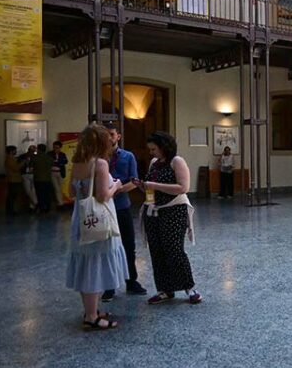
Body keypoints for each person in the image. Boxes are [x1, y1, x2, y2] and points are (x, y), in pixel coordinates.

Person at [66, 124, 128, 331]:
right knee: (96, 265)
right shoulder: (100, 164)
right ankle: (92, 316)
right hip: (99, 222)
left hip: (81, 220)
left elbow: (72, 193)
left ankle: (90, 310)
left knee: (86, 265)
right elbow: (102, 196)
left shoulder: (78, 163)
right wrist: (116, 186)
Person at [135, 131, 202, 305]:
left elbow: (183, 187)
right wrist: (143, 188)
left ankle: (189, 287)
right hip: (154, 212)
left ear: (164, 147)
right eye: (150, 150)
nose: (151, 153)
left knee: (174, 250)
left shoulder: (176, 161)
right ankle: (165, 289)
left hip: (174, 211)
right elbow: (151, 190)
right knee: (156, 251)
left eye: (154, 149)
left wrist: (154, 185)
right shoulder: (154, 163)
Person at [101, 123, 147, 302]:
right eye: (106, 135)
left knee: (128, 245)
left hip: (121, 206)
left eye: (112, 134)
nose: (109, 138)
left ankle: (131, 281)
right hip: (104, 209)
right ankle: (109, 286)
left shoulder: (128, 156)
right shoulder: (99, 158)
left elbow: (134, 181)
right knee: (106, 247)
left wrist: (117, 189)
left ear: (118, 136)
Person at [32, 144, 54, 213]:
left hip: (38, 179)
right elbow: (52, 165)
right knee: (47, 194)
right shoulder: (49, 158)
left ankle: (42, 208)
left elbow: (31, 165)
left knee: (40, 194)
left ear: (38, 149)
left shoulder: (35, 158)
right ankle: (48, 208)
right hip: (48, 178)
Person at [18, 145, 38, 211]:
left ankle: (32, 207)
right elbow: (18, 166)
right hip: (25, 174)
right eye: (31, 150)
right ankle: (36, 203)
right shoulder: (22, 156)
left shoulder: (36, 157)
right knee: (28, 190)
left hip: (33, 174)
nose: (32, 152)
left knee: (33, 191)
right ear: (28, 150)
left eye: (33, 151)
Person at [50, 140, 69, 208]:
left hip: (60, 172)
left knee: (60, 188)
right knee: (56, 188)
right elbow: (50, 162)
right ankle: (60, 203)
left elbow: (65, 161)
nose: (56, 149)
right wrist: (57, 162)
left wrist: (58, 162)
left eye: (57, 147)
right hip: (52, 172)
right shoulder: (50, 154)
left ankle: (60, 202)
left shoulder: (62, 154)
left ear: (60, 148)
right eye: (54, 147)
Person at [4, 146, 22, 215]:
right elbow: (16, 168)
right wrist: (22, 163)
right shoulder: (9, 159)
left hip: (14, 179)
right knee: (12, 196)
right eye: (15, 150)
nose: (16, 151)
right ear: (11, 151)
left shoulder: (12, 158)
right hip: (13, 179)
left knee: (13, 196)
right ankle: (11, 211)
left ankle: (11, 210)